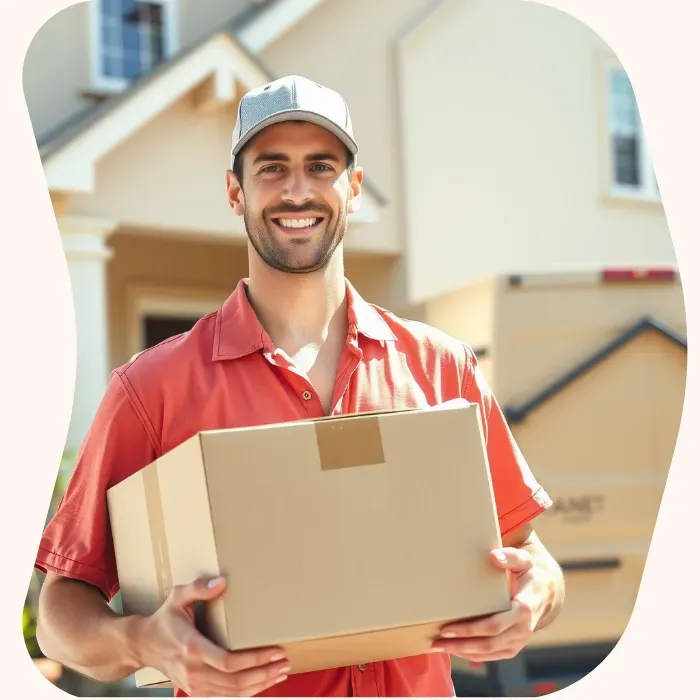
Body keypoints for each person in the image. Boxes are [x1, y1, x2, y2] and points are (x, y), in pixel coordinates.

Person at [34, 75, 564, 698]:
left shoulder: (441, 367)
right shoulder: (153, 389)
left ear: (354, 188)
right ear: (235, 192)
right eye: (271, 168)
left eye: (321, 166)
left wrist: (533, 600)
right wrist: (141, 640)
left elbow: (534, 558)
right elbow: (59, 611)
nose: (296, 190)